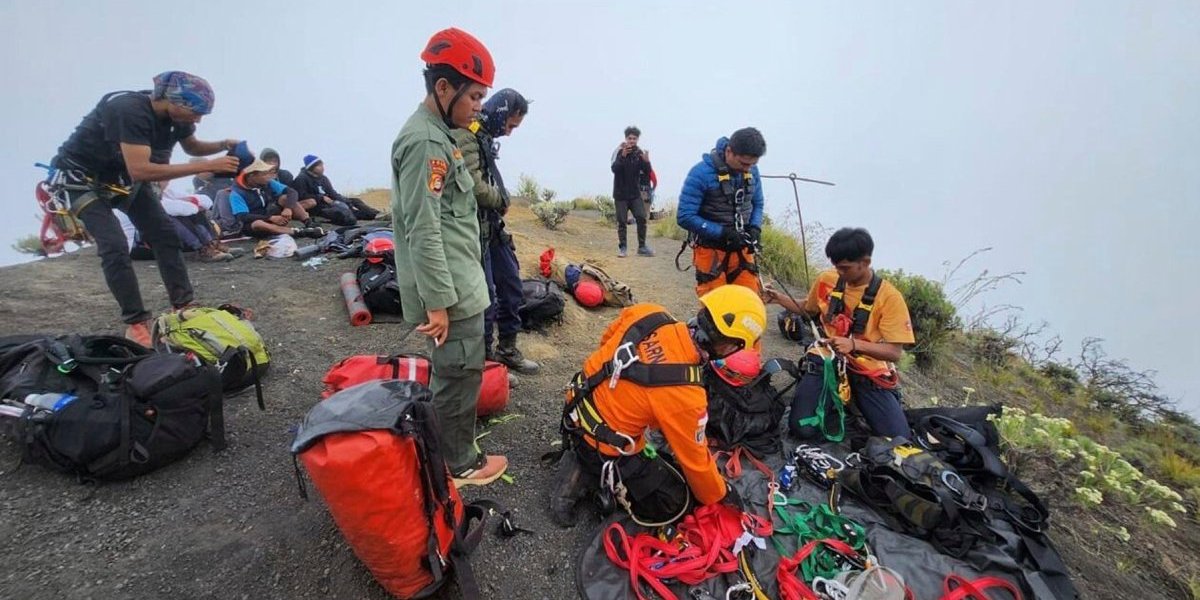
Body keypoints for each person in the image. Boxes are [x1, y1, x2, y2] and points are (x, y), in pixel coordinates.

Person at [390, 27, 506, 487]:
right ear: (443, 88)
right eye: (474, 95)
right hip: (450, 293)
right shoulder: (427, 143)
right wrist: (437, 301)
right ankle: (457, 467)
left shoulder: (442, 134)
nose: (479, 106)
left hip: (462, 281)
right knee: (457, 377)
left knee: (463, 370)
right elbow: (423, 228)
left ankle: (451, 452)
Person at [47, 71, 242, 345]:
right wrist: (210, 165)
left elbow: (192, 146)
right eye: (195, 112)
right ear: (172, 101)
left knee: (164, 232)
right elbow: (139, 170)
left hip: (118, 179)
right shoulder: (128, 111)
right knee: (114, 244)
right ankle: (136, 322)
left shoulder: (178, 117)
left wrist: (222, 145)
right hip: (79, 179)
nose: (197, 119)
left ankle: (184, 306)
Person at [550, 285, 768, 527]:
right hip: (603, 446)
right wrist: (721, 495)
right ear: (730, 346)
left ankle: (584, 457)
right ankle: (584, 472)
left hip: (576, 404)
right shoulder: (686, 393)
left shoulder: (650, 313)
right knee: (675, 502)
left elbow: (607, 342)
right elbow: (696, 463)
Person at [764, 227, 915, 441]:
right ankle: (835, 406)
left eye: (845, 268)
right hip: (827, 359)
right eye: (836, 267)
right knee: (802, 428)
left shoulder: (889, 298)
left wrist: (854, 345)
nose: (839, 273)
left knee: (898, 437)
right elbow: (808, 309)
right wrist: (778, 298)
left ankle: (850, 404)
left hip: (866, 369)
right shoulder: (828, 279)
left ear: (865, 262)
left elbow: (893, 352)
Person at [451, 88, 539, 374]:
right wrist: (501, 199)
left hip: (492, 227)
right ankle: (486, 362)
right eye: (511, 124)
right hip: (475, 229)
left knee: (512, 285)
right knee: (485, 297)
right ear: (503, 113)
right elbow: (474, 187)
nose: (510, 132)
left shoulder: (483, 137)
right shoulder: (465, 134)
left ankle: (508, 349)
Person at [677, 127, 768, 297]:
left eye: (752, 164)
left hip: (742, 249)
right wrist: (722, 233)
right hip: (711, 251)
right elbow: (684, 216)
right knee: (716, 308)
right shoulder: (700, 173)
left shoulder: (751, 170)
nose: (748, 169)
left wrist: (755, 227)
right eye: (743, 163)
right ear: (729, 152)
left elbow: (758, 203)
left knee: (750, 302)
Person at [224, 158, 324, 238]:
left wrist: (288, 208)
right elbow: (242, 216)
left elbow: (292, 192)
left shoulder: (267, 183)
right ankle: (297, 232)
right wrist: (271, 218)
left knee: (285, 198)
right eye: (264, 174)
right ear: (252, 176)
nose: (268, 176)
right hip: (252, 223)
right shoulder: (237, 193)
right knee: (258, 224)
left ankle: (308, 222)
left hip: (268, 213)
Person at [292, 154, 380, 224]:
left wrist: (346, 201)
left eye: (322, 165)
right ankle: (364, 215)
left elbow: (332, 193)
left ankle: (376, 214)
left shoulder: (323, 178)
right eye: (319, 166)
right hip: (319, 208)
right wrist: (320, 198)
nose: (322, 167)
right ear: (312, 167)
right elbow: (301, 196)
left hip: (331, 203)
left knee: (355, 201)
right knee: (345, 214)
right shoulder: (301, 179)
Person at [610, 126, 654, 258]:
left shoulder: (639, 153)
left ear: (637, 139)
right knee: (622, 221)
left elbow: (647, 172)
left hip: (635, 194)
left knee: (641, 217)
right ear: (626, 138)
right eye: (630, 138)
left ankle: (642, 246)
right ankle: (623, 248)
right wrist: (623, 156)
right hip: (620, 194)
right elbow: (615, 169)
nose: (632, 141)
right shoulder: (619, 151)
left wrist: (647, 162)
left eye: (634, 138)